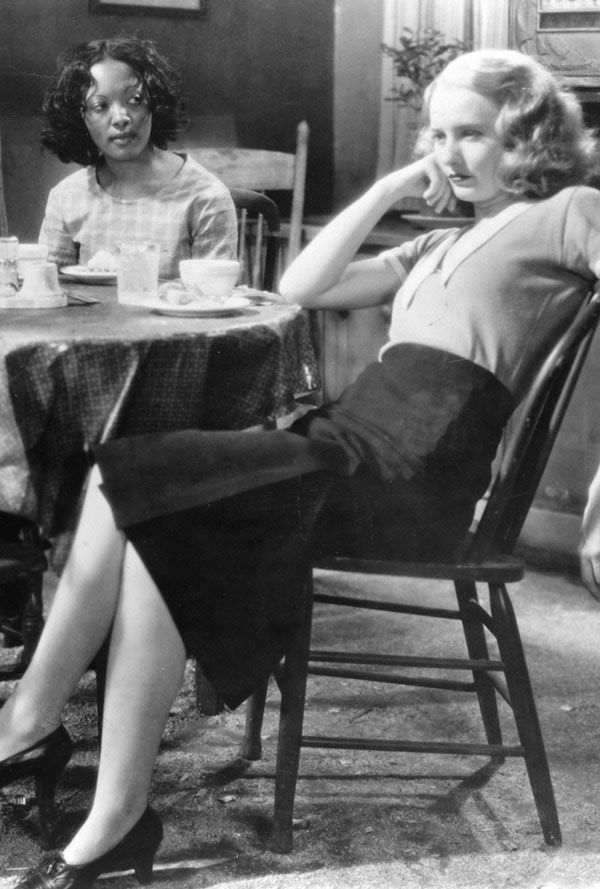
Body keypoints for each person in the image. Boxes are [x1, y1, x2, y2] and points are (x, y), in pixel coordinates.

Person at [2, 48, 600, 889]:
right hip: (349, 436)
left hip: (413, 469)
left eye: (472, 135)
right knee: (132, 483)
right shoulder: (442, 239)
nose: (450, 154)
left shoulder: (571, 211)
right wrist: (394, 187)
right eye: (437, 136)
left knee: (139, 487)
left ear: (528, 137)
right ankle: (95, 792)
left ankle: (38, 738)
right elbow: (302, 282)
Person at [38, 35, 237, 277]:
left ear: (154, 104)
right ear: (80, 118)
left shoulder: (206, 197)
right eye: (100, 106)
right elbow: (48, 289)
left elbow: (213, 294)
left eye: (135, 100)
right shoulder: (66, 198)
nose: (121, 118)